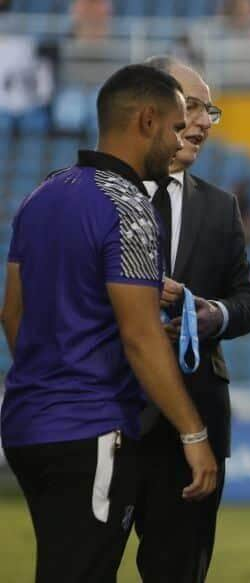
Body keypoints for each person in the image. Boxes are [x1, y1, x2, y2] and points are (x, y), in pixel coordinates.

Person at [0, 64, 218, 583]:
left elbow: (12, 311)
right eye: (172, 126)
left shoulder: (41, 195)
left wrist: (50, 376)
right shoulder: (130, 205)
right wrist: (194, 434)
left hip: (26, 426)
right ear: (145, 120)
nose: (178, 140)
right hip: (91, 427)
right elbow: (141, 336)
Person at [134, 56, 250, 583]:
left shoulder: (220, 207)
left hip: (197, 422)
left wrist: (213, 315)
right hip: (107, 411)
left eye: (210, 110)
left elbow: (248, 298)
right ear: (149, 109)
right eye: (193, 106)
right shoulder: (95, 197)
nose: (206, 121)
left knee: (180, 570)